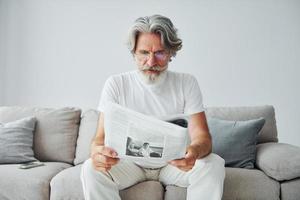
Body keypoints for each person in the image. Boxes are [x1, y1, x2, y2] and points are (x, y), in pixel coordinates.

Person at [81, 14, 225, 200]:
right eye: (143, 53)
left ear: (171, 53)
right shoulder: (116, 84)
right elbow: (98, 140)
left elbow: (202, 138)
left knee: (213, 163)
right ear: (134, 52)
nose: (151, 62)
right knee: (90, 168)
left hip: (173, 164)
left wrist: (194, 152)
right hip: (129, 165)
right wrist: (98, 153)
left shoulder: (186, 83)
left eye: (159, 53)